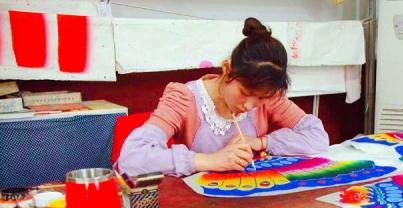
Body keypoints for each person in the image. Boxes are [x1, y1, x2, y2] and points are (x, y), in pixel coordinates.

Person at [117, 17, 329, 177]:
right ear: (227, 69)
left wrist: (261, 142)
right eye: (245, 93)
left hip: (252, 199)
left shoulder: (269, 98)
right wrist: (209, 161)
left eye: (260, 99)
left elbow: (318, 138)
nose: (249, 105)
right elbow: (131, 158)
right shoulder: (184, 98)